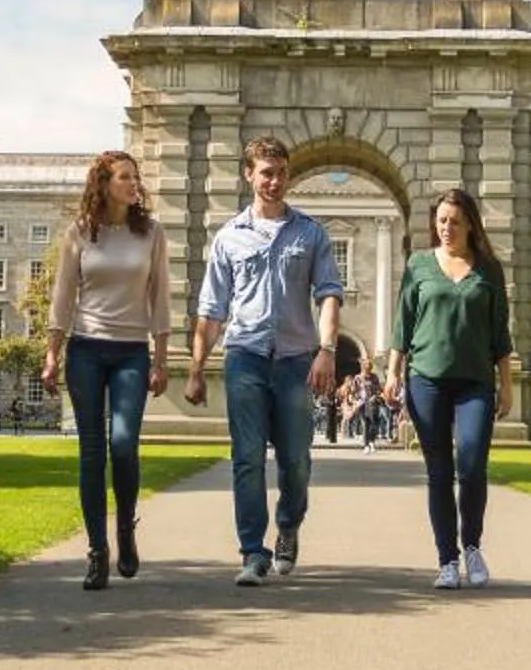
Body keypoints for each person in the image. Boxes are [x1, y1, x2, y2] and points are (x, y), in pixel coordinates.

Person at [185, 135, 343, 586]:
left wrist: (327, 351)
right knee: (247, 458)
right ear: (249, 175)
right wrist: (196, 369)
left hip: (295, 359)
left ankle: (289, 524)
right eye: (266, 173)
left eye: (280, 173)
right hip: (245, 357)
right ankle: (253, 551)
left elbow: (329, 294)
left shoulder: (310, 233)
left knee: (296, 460)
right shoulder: (229, 238)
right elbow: (211, 310)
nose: (274, 181)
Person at [41, 151, 171, 591]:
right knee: (92, 452)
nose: (134, 184)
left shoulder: (151, 234)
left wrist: (160, 357)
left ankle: (125, 530)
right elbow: (63, 297)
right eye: (125, 177)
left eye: (136, 177)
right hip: (86, 349)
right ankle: (97, 552)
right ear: (104, 183)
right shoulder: (80, 232)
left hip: (131, 349)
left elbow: (160, 297)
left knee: (123, 443)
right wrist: (52, 353)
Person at [388, 188, 515, 590]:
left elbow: (500, 334)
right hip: (426, 379)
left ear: (470, 225)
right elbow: (402, 324)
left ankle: (472, 546)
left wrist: (507, 386)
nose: (447, 228)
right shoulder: (419, 265)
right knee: (439, 472)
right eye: (441, 221)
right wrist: (392, 373)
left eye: (455, 221)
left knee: (473, 464)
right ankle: (447, 559)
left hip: (475, 381)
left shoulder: (489, 270)